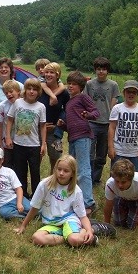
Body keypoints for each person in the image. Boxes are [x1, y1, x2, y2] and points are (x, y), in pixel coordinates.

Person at [14, 155, 98, 247]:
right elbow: (35, 207)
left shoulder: (76, 190)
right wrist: (23, 226)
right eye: (59, 169)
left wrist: (89, 230)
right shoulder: (44, 184)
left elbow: (82, 215)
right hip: (52, 223)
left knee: (75, 240)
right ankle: (67, 238)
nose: (61, 173)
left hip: (68, 220)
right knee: (37, 238)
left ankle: (90, 231)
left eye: (66, 171)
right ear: (55, 169)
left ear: (72, 174)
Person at [57, 71, 99, 216]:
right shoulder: (69, 103)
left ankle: (89, 203)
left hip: (83, 136)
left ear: (81, 86)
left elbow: (95, 112)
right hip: (73, 138)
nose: (70, 86)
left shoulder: (82, 97)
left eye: (74, 84)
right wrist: (63, 125)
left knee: (83, 169)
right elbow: (70, 125)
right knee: (72, 170)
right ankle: (73, 200)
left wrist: (88, 115)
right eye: (69, 83)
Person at [5, 78, 47, 198]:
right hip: (19, 144)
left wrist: (43, 144)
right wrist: (8, 137)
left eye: (34, 89)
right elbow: (10, 120)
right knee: (20, 172)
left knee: (35, 172)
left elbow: (43, 126)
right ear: (25, 90)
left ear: (38, 92)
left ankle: (36, 196)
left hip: (34, 145)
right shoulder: (18, 103)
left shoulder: (41, 107)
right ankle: (22, 195)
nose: (31, 92)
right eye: (29, 89)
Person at [84, 57, 120, 184]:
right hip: (92, 122)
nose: (101, 72)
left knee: (101, 154)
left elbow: (114, 104)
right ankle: (88, 178)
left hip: (106, 124)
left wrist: (112, 120)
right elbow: (85, 101)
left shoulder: (113, 85)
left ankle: (96, 178)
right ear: (95, 70)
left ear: (107, 71)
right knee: (89, 153)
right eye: (98, 69)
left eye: (103, 69)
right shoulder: (89, 84)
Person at [108, 80, 138, 172]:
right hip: (118, 151)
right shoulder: (117, 108)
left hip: (134, 151)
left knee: (134, 177)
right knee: (116, 175)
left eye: (134, 92)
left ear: (137, 94)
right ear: (124, 93)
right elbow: (112, 127)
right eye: (128, 92)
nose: (131, 94)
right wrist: (111, 147)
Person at [38, 63, 70, 174]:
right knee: (37, 158)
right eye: (46, 72)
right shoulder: (40, 90)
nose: (48, 74)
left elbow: (67, 110)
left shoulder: (64, 93)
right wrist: (40, 125)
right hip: (38, 129)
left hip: (55, 132)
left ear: (57, 75)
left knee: (56, 158)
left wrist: (58, 125)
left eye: (51, 72)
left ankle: (53, 182)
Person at [104, 158, 138, 230]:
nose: (120, 185)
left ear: (131, 179)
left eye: (123, 182)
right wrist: (106, 224)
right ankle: (125, 211)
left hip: (136, 200)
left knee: (133, 226)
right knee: (118, 223)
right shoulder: (110, 184)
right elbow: (108, 204)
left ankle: (131, 212)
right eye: (117, 181)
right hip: (120, 197)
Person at [0, 80, 21, 168]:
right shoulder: (2, 106)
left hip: (21, 141)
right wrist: (0, 143)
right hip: (6, 142)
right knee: (7, 165)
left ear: (18, 91)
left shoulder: (24, 104)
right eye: (6, 93)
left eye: (11, 91)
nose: (9, 94)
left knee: (19, 166)